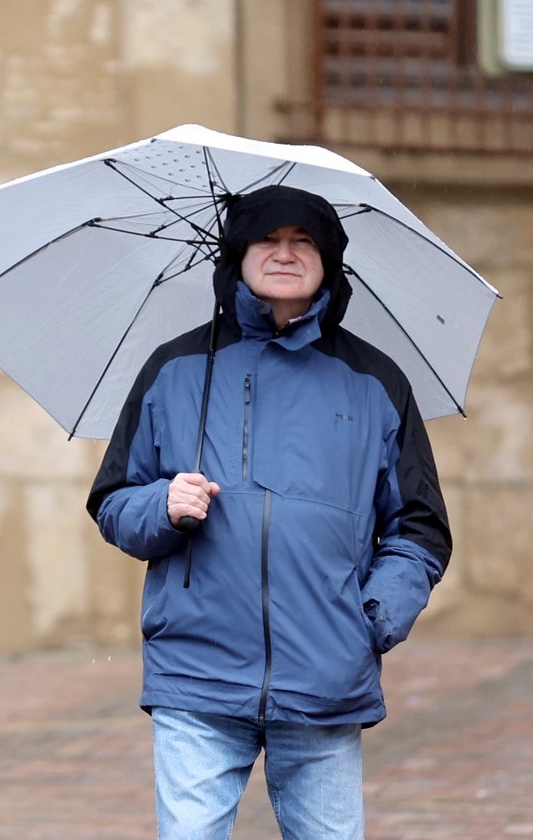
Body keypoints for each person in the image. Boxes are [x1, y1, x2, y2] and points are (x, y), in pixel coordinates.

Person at [86, 184, 451, 839]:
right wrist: (162, 505)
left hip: (326, 676)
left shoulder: (377, 382)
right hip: (197, 673)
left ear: (328, 261)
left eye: (303, 241)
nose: (285, 253)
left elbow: (419, 529)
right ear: (237, 254)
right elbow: (114, 501)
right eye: (267, 239)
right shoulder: (173, 370)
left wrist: (367, 621)